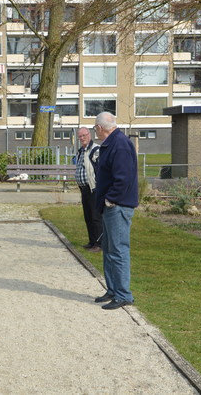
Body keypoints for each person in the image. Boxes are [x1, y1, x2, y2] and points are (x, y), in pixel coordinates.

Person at [93, 112, 139, 310]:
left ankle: (123, 294)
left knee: (118, 250)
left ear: (100, 128)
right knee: (109, 249)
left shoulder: (119, 144)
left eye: (95, 128)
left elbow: (123, 178)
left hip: (118, 206)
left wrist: (111, 199)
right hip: (111, 205)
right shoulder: (112, 143)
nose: (95, 131)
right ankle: (112, 289)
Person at [75, 127, 102, 253]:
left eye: (84, 135)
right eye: (80, 136)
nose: (82, 138)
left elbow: (100, 168)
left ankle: (99, 243)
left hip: (93, 188)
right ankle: (92, 241)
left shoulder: (95, 149)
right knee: (88, 216)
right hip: (84, 188)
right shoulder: (81, 151)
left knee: (95, 216)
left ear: (89, 135)